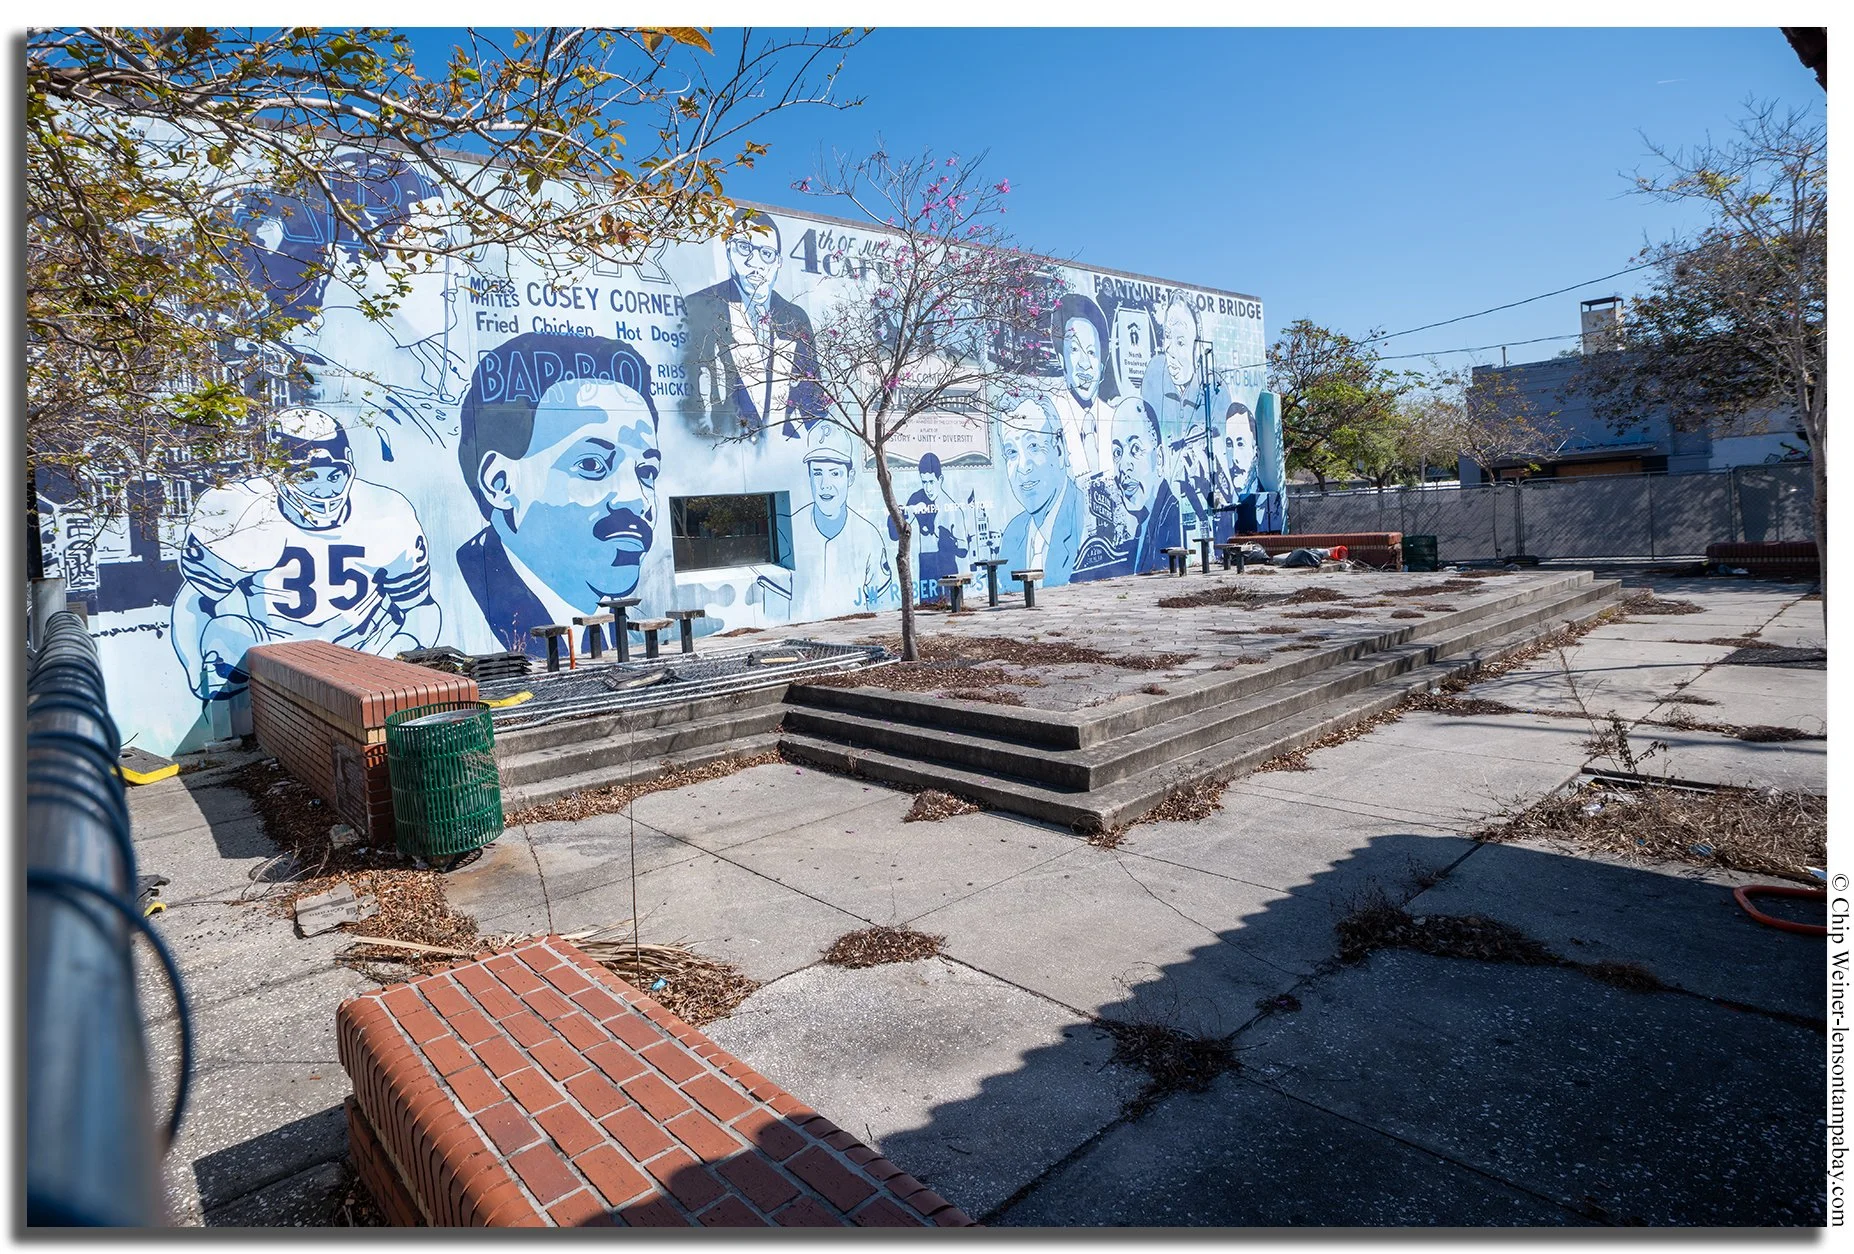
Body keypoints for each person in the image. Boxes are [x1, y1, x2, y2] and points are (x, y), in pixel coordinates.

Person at [170, 407, 440, 700]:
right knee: (225, 635)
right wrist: (197, 673)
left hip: (367, 646)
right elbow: (196, 601)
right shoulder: (240, 510)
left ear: (349, 466)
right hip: (275, 652)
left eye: (334, 475)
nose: (323, 491)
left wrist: (403, 659)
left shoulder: (387, 511)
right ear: (276, 474)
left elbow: (418, 606)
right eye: (308, 477)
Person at [454, 333, 663, 653]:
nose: (636, 498)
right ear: (500, 484)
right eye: (593, 464)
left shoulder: (597, 616)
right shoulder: (475, 601)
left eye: (646, 472)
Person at [680, 208, 825, 442]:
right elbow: (692, 391)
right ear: (728, 250)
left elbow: (813, 401)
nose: (754, 263)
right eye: (744, 248)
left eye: (766, 254)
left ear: (778, 262)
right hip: (721, 449)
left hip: (783, 455)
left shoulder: (794, 318)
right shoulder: (701, 306)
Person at [791, 423, 897, 619]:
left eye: (835, 473)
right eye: (817, 473)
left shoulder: (869, 535)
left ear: (850, 477)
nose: (825, 485)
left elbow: (879, 605)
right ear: (809, 476)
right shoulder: (791, 529)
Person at [997, 393, 1086, 587]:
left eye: (1033, 446)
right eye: (1012, 452)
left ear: (1060, 450)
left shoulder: (1084, 517)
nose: (1023, 466)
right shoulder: (1012, 535)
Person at [1046, 293, 1114, 478]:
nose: (1085, 363)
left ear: (1102, 364)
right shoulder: (1049, 418)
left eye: (1092, 352)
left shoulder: (1116, 420)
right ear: (1062, 359)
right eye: (1075, 349)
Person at [1113, 396, 1182, 573]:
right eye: (1117, 452)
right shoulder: (1144, 523)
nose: (1123, 466)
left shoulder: (1168, 516)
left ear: (1159, 459)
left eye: (1136, 449)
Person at [887, 452, 969, 604]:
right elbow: (894, 533)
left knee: (951, 603)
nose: (928, 488)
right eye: (924, 482)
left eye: (931, 482)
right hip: (926, 561)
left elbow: (964, 550)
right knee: (928, 603)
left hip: (948, 562)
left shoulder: (954, 509)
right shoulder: (916, 499)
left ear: (940, 479)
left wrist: (950, 543)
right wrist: (907, 512)